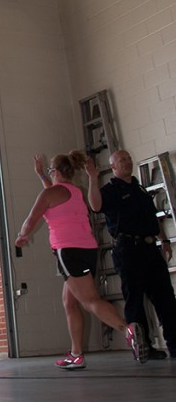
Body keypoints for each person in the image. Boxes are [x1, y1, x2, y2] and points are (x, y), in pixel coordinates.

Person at [16, 150, 148, 369]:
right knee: (69, 302)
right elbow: (52, 191)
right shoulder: (75, 191)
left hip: (68, 252)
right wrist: (41, 175)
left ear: (56, 171)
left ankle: (128, 330)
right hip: (87, 251)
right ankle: (76, 354)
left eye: (50, 171)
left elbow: (32, 218)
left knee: (89, 301)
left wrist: (22, 235)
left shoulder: (50, 194)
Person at [87, 149, 176, 359]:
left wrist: (163, 241)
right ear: (114, 167)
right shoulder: (110, 190)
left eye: (128, 158)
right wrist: (92, 179)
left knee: (165, 298)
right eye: (121, 160)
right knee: (134, 299)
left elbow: (153, 218)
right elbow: (96, 205)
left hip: (150, 248)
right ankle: (143, 347)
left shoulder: (140, 189)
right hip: (128, 249)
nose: (126, 162)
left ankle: (174, 343)